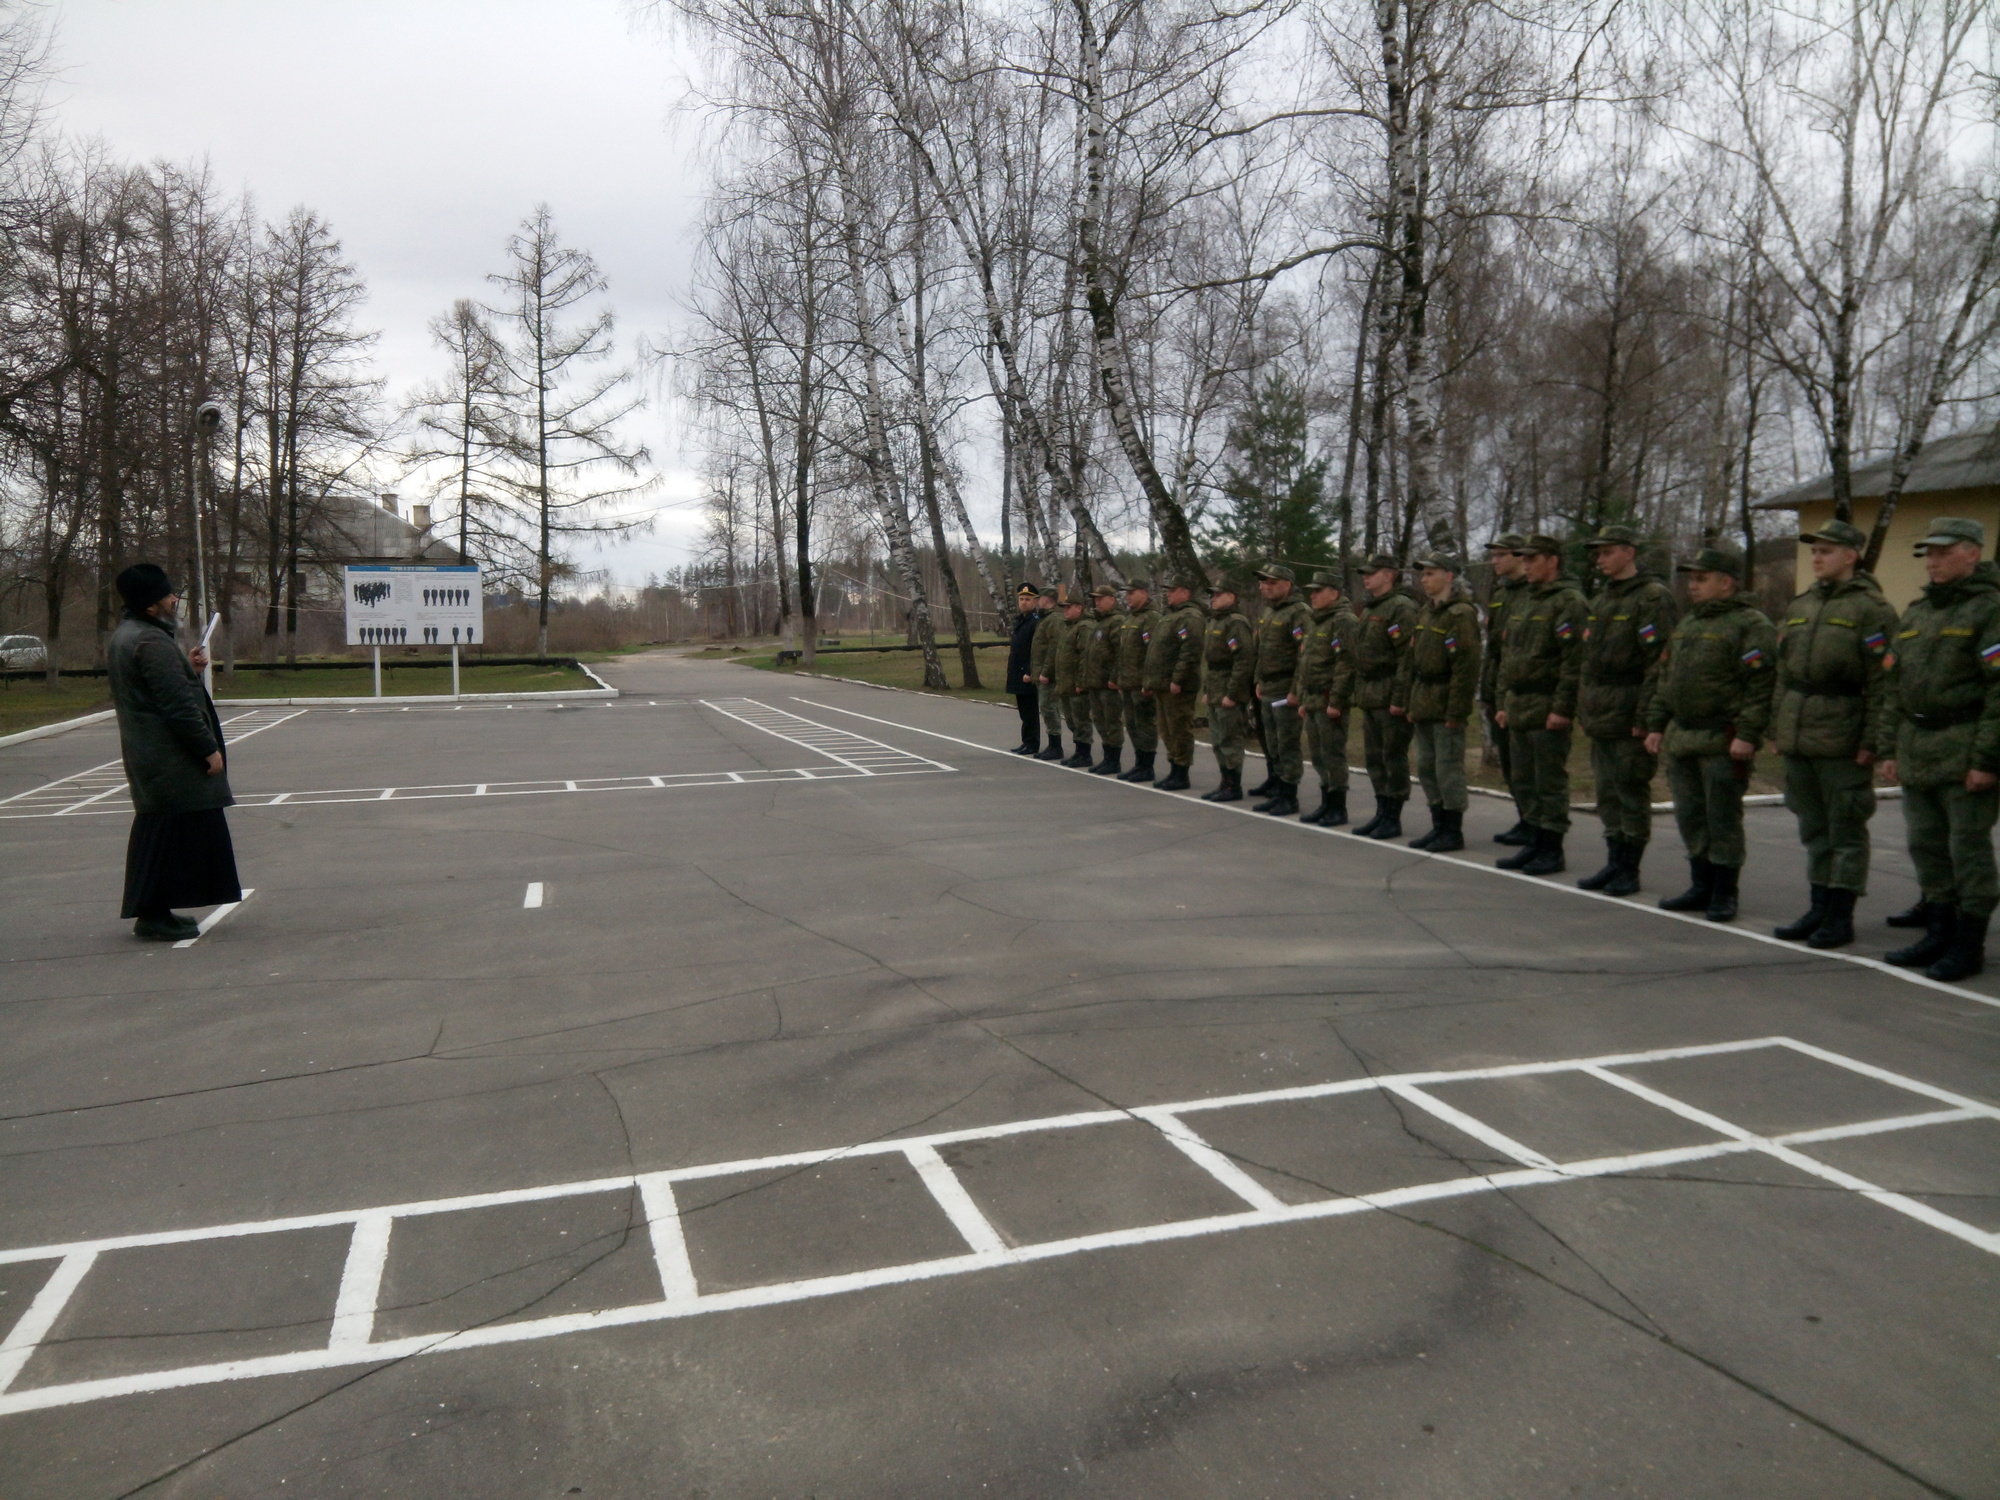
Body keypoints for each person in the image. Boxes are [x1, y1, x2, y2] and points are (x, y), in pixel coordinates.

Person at [1877, 517, 2000, 980]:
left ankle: (1968, 945)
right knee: (1926, 845)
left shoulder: (1990, 611)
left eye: (1944, 552)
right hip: (1918, 745)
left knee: (1967, 850)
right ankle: (1939, 930)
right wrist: (1889, 748)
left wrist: (1987, 759)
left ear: (1973, 553)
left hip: (1964, 747)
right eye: (1929, 553)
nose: (1933, 561)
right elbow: (1895, 686)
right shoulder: (1917, 613)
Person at [1770, 519, 1896, 949]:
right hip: (1800, 731)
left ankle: (1840, 915)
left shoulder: (1871, 609)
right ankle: (1818, 906)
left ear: (1850, 556)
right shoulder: (1801, 605)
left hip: (1842, 733)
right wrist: (1777, 726)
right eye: (1814, 550)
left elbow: (1883, 682)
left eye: (1826, 551)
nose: (1817, 558)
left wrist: (1872, 740)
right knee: (1814, 827)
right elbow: (1783, 672)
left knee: (1845, 828)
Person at [106, 563, 241, 941]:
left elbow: (155, 689)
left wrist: (188, 670)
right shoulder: (150, 641)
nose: (174, 599)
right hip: (169, 759)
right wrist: (208, 749)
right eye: (167, 595)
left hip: (152, 756)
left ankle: (156, 911)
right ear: (151, 603)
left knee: (165, 834)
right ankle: (152, 915)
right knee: (167, 836)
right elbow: (177, 707)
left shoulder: (129, 635)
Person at [1643, 542, 1776, 922]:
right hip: (1683, 736)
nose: (1692, 586)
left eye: (1701, 579)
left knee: (1722, 819)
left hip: (1722, 738)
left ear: (1727, 582)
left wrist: (1747, 734)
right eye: (1692, 579)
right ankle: (1700, 884)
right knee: (1690, 817)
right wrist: (1656, 724)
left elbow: (1760, 686)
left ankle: (1724, 892)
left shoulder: (1751, 625)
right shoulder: (1689, 624)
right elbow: (1667, 679)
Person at [1575, 525, 1678, 896]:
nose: (1600, 559)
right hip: (1603, 710)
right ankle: (1614, 860)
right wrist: (1586, 707)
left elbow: (1658, 662)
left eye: (1607, 552)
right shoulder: (1604, 598)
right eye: (1598, 553)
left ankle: (1629, 868)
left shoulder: (1652, 598)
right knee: (1607, 792)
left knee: (1630, 789)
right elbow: (1588, 660)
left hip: (1630, 705)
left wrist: (1646, 717)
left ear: (1629, 552)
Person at [1495, 534, 1588, 876]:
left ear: (1552, 561)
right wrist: (1504, 701)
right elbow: (1509, 655)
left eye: (1532, 559)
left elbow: (1573, 661)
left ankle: (1551, 848)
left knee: (1548, 780)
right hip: (1519, 702)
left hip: (1547, 701)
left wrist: (1562, 708)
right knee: (1523, 779)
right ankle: (1533, 841)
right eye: (1524, 558)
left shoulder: (1569, 602)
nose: (1527, 564)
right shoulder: (1524, 600)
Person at [1394, 551, 1481, 852]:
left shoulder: (1460, 614)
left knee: (1448, 768)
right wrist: (1409, 702)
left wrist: (1456, 711)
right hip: (1423, 699)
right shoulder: (1425, 612)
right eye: (1423, 574)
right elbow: (1412, 660)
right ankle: (1438, 824)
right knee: (1427, 767)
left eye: (1431, 573)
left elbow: (1466, 667)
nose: (1424, 579)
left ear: (1448, 576)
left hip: (1445, 699)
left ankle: (1452, 830)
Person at [1352, 554, 1420, 838]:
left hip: (1390, 690)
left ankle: (1393, 815)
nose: (1366, 577)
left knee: (1392, 756)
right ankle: (1382, 811)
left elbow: (1407, 658)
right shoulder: (1371, 607)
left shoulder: (1401, 607)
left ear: (1389, 575)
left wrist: (1400, 698)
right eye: (1365, 573)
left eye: (1372, 572)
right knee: (1374, 758)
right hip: (1371, 693)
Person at [1291, 568, 1358, 826]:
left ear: (1334, 593)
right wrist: (1301, 697)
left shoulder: (1343, 621)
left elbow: (1346, 664)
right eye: (1311, 592)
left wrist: (1337, 701)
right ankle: (1326, 802)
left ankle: (1338, 807)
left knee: (1333, 755)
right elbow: (1304, 661)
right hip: (1312, 698)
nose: (1313, 596)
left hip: (1329, 698)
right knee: (1318, 755)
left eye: (1318, 591)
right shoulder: (1315, 620)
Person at [1247, 563, 1313, 816]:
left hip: (1285, 688)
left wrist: (1296, 690)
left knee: (1287, 744)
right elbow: (1260, 649)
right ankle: (1277, 787)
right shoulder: (1269, 611)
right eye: (1263, 582)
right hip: (1268, 686)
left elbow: (1303, 655)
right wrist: (1258, 680)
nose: (1265, 587)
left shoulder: (1299, 612)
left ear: (1287, 585)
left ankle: (1289, 795)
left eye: (1272, 582)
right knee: (1272, 742)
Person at [1145, 575, 1207, 790]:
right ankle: (1174, 768)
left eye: (1173, 590)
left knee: (1179, 728)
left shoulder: (1190, 617)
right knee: (1167, 730)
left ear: (1185, 593)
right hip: (1162, 683)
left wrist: (1178, 679)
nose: (1168, 594)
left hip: (1177, 685)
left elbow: (1190, 651)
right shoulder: (1171, 616)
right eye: (1168, 590)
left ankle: (1181, 772)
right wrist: (1150, 681)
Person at [1200, 578, 1256, 802]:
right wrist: (1207, 690)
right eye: (1212, 595)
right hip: (1215, 687)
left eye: (1218, 594)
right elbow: (1211, 661)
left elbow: (1243, 660)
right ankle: (1225, 782)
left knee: (1230, 740)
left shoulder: (1235, 623)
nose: (1213, 598)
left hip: (1227, 688)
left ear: (1232, 597)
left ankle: (1233, 786)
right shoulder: (1215, 621)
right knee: (1217, 740)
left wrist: (1233, 693)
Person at [1113, 578, 1162, 782]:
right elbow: (1123, 652)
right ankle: (1139, 762)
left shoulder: (1151, 618)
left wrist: (1149, 681)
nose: (1128, 596)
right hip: (1128, 682)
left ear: (1143, 592)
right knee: (1132, 725)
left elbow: (1153, 653)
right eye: (1127, 593)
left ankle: (1147, 765)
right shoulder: (1129, 619)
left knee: (1144, 724)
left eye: (1132, 593)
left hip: (1141, 683)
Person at [1081, 583, 1126, 775]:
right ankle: (1107, 757)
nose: (1097, 602)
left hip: (1108, 683)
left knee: (1111, 722)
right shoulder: (1099, 622)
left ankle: (1114, 760)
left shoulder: (1116, 621)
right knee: (1100, 721)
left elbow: (1120, 653)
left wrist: (1114, 677)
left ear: (1112, 600)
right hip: (1095, 682)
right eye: (1095, 599)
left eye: (1101, 599)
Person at [1053, 594, 1095, 767]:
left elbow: (1085, 656)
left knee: (1081, 720)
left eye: (1069, 607)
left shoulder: (1085, 627)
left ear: (1079, 608)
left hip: (1076, 684)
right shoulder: (1068, 627)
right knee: (1072, 720)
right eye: (1064, 607)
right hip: (1066, 683)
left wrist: (1081, 681)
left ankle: (1084, 753)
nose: (1065, 610)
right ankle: (1079, 751)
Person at [1005, 582, 1046, 755]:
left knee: (1030, 710)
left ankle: (1032, 742)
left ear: (1035, 602)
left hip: (1028, 673)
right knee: (1023, 709)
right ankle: (1026, 740)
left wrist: (1030, 671)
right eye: (1021, 599)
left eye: (1028, 599)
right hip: (1017, 671)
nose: (1023, 602)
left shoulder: (1035, 622)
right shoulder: (1020, 620)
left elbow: (1035, 651)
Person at [1030, 583, 1067, 761]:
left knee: (1049, 707)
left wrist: (1046, 671)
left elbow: (1054, 648)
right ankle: (1052, 744)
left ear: (1046, 599)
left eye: (1039, 599)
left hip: (1049, 674)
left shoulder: (1055, 619)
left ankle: (1056, 745)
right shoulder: (1045, 619)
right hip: (1041, 672)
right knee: (1045, 708)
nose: (1038, 602)